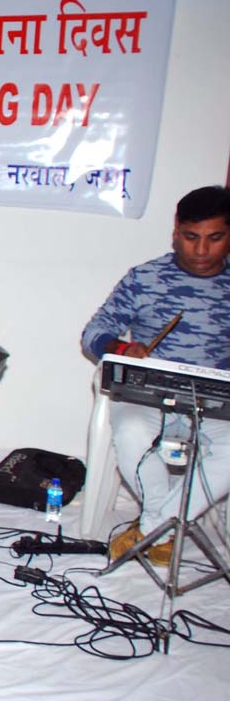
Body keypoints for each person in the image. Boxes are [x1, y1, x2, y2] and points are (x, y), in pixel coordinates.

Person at [81, 185, 230, 565]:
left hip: (215, 401)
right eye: (191, 237)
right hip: (149, 394)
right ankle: (164, 527)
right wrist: (123, 349)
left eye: (214, 238)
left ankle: (154, 527)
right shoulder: (146, 278)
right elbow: (94, 333)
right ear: (175, 232)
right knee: (132, 434)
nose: (201, 250)